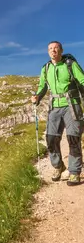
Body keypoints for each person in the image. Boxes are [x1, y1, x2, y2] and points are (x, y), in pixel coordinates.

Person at [31, 41, 84, 186]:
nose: (53, 50)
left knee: (73, 138)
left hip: (71, 105)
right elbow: (42, 87)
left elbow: (82, 81)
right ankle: (58, 166)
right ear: (48, 52)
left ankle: (74, 172)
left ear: (61, 50)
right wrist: (37, 97)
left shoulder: (70, 64)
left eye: (55, 48)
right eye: (50, 48)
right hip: (54, 107)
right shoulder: (46, 68)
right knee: (51, 138)